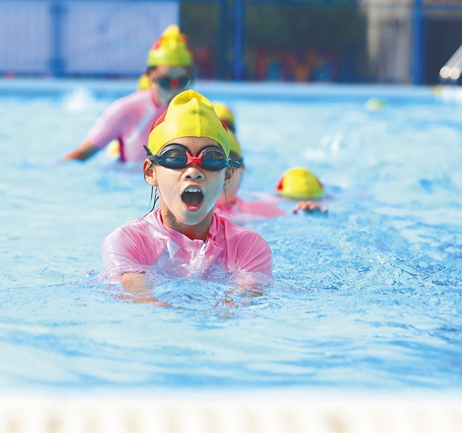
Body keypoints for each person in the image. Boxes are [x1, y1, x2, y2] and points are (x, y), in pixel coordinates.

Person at [102, 90, 273, 294]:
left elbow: (240, 306)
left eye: (211, 159)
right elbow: (140, 301)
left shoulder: (248, 248)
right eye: (176, 157)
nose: (193, 171)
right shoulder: (129, 242)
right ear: (150, 172)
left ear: (227, 175)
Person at [62, 25, 194, 163]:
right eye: (165, 82)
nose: (173, 89)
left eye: (181, 81)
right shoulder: (126, 110)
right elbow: (82, 154)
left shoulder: (197, 113)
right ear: (149, 75)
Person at [210, 103, 325, 219]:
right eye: (211, 159)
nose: (223, 167)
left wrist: (308, 215)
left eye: (231, 158)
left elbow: (291, 219)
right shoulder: (192, 215)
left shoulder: (264, 210)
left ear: (243, 168)